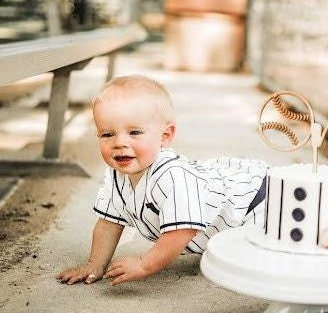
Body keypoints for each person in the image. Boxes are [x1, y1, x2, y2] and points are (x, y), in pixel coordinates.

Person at [56, 75, 267, 286]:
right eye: (107, 134)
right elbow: (109, 223)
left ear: (165, 136)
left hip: (254, 201)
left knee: (260, 258)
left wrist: (145, 264)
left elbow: (181, 231)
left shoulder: (172, 176)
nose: (119, 142)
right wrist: (95, 265)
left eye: (134, 132)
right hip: (239, 207)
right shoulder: (116, 175)